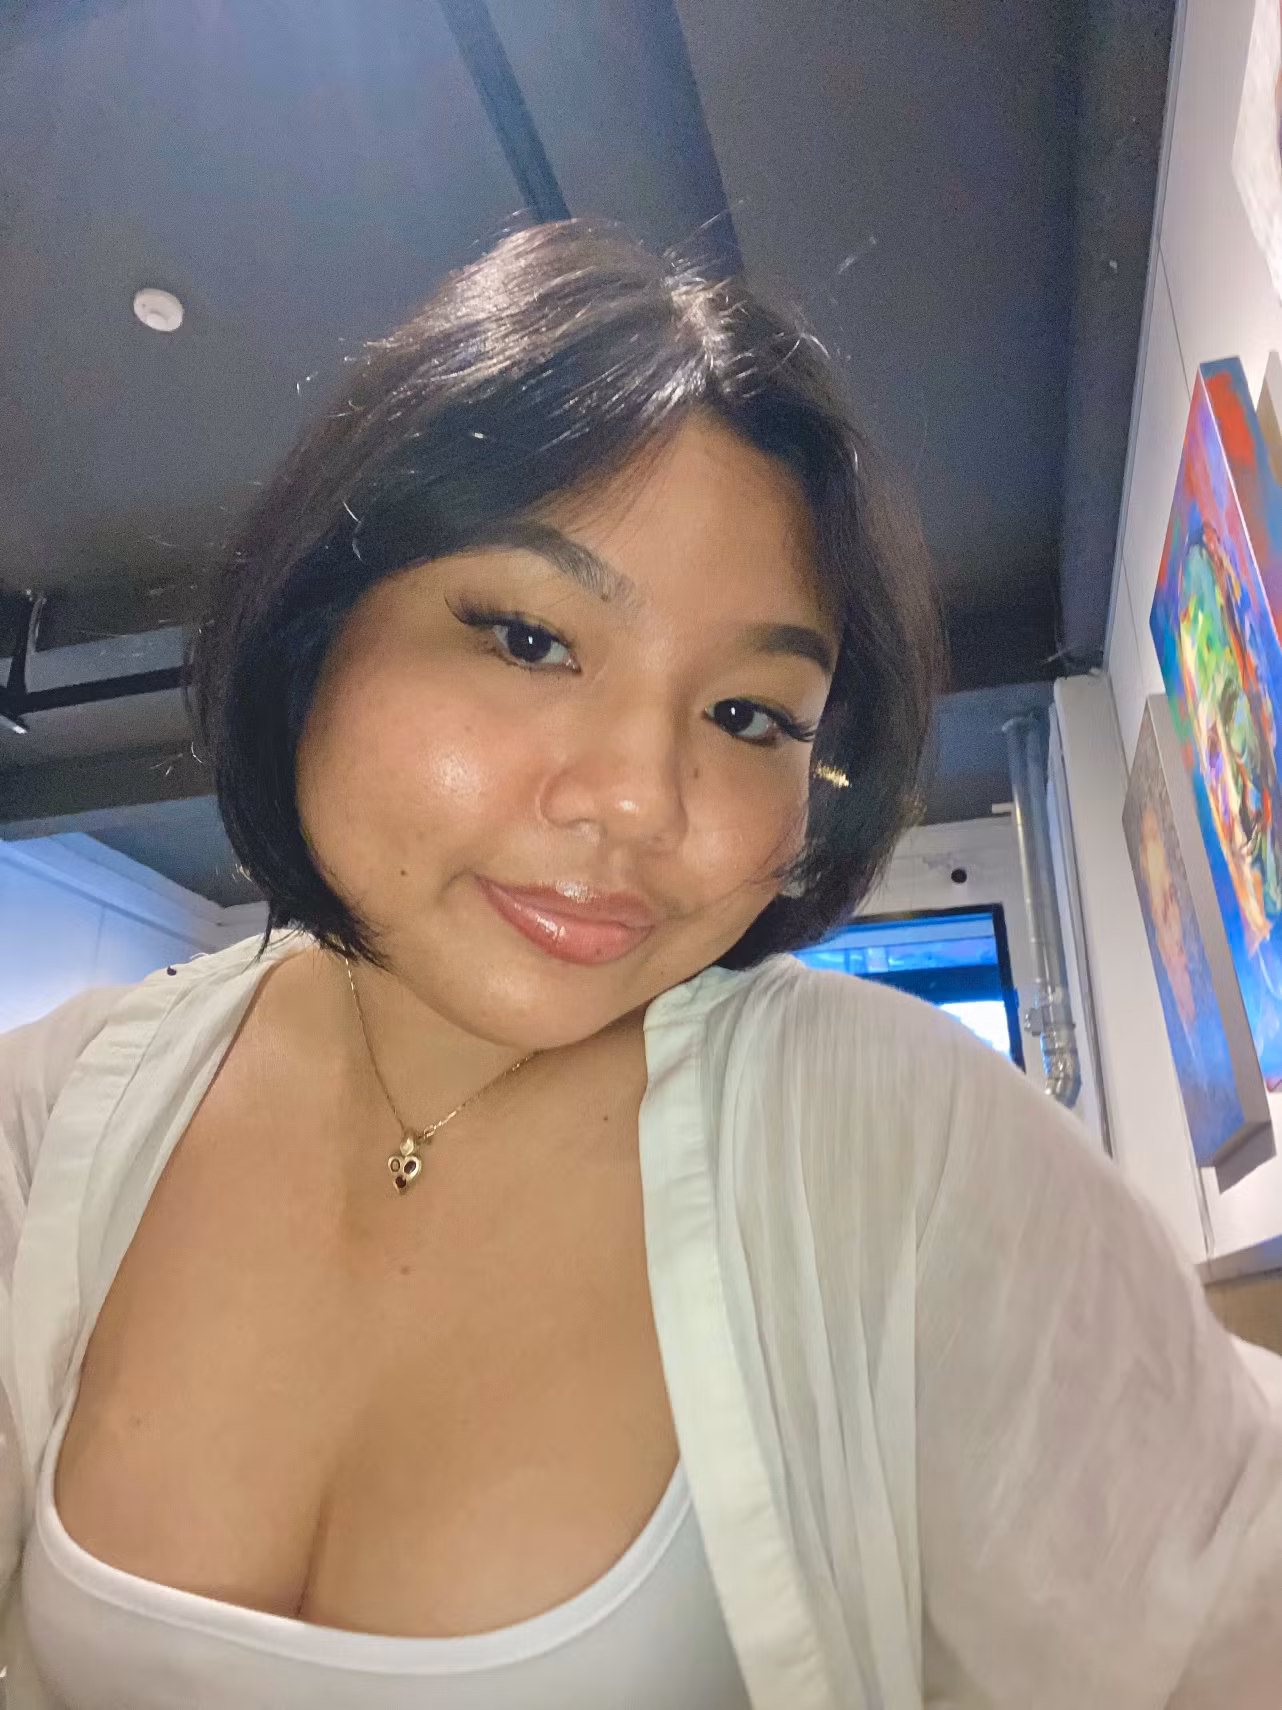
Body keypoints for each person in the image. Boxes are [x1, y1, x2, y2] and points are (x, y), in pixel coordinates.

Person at [1, 221, 1280, 1710]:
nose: (636, 800)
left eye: (748, 717)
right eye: (528, 638)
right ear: (318, 621)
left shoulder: (901, 1145)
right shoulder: (62, 1109)